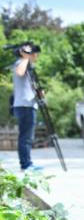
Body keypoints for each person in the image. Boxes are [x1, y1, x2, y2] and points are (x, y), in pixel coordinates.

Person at [10, 42, 42, 172]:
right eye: (35, 54)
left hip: (28, 105)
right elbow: (19, 72)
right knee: (25, 137)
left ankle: (27, 163)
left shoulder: (28, 65)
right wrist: (25, 57)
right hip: (24, 105)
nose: (36, 57)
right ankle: (26, 165)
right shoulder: (21, 62)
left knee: (27, 136)